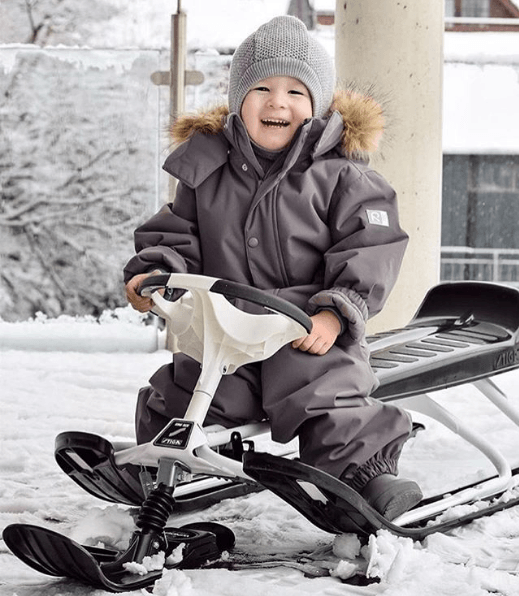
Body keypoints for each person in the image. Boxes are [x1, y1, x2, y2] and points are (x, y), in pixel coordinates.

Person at [124, 15, 422, 520]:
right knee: (193, 386)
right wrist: (156, 272)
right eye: (260, 87)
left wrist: (336, 313)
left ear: (318, 104)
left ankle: (364, 477)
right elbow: (178, 232)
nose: (276, 102)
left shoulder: (342, 174)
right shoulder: (206, 171)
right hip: (230, 326)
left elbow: (371, 245)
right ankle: (157, 463)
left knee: (323, 392)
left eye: (295, 91)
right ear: (240, 100)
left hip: (308, 327)